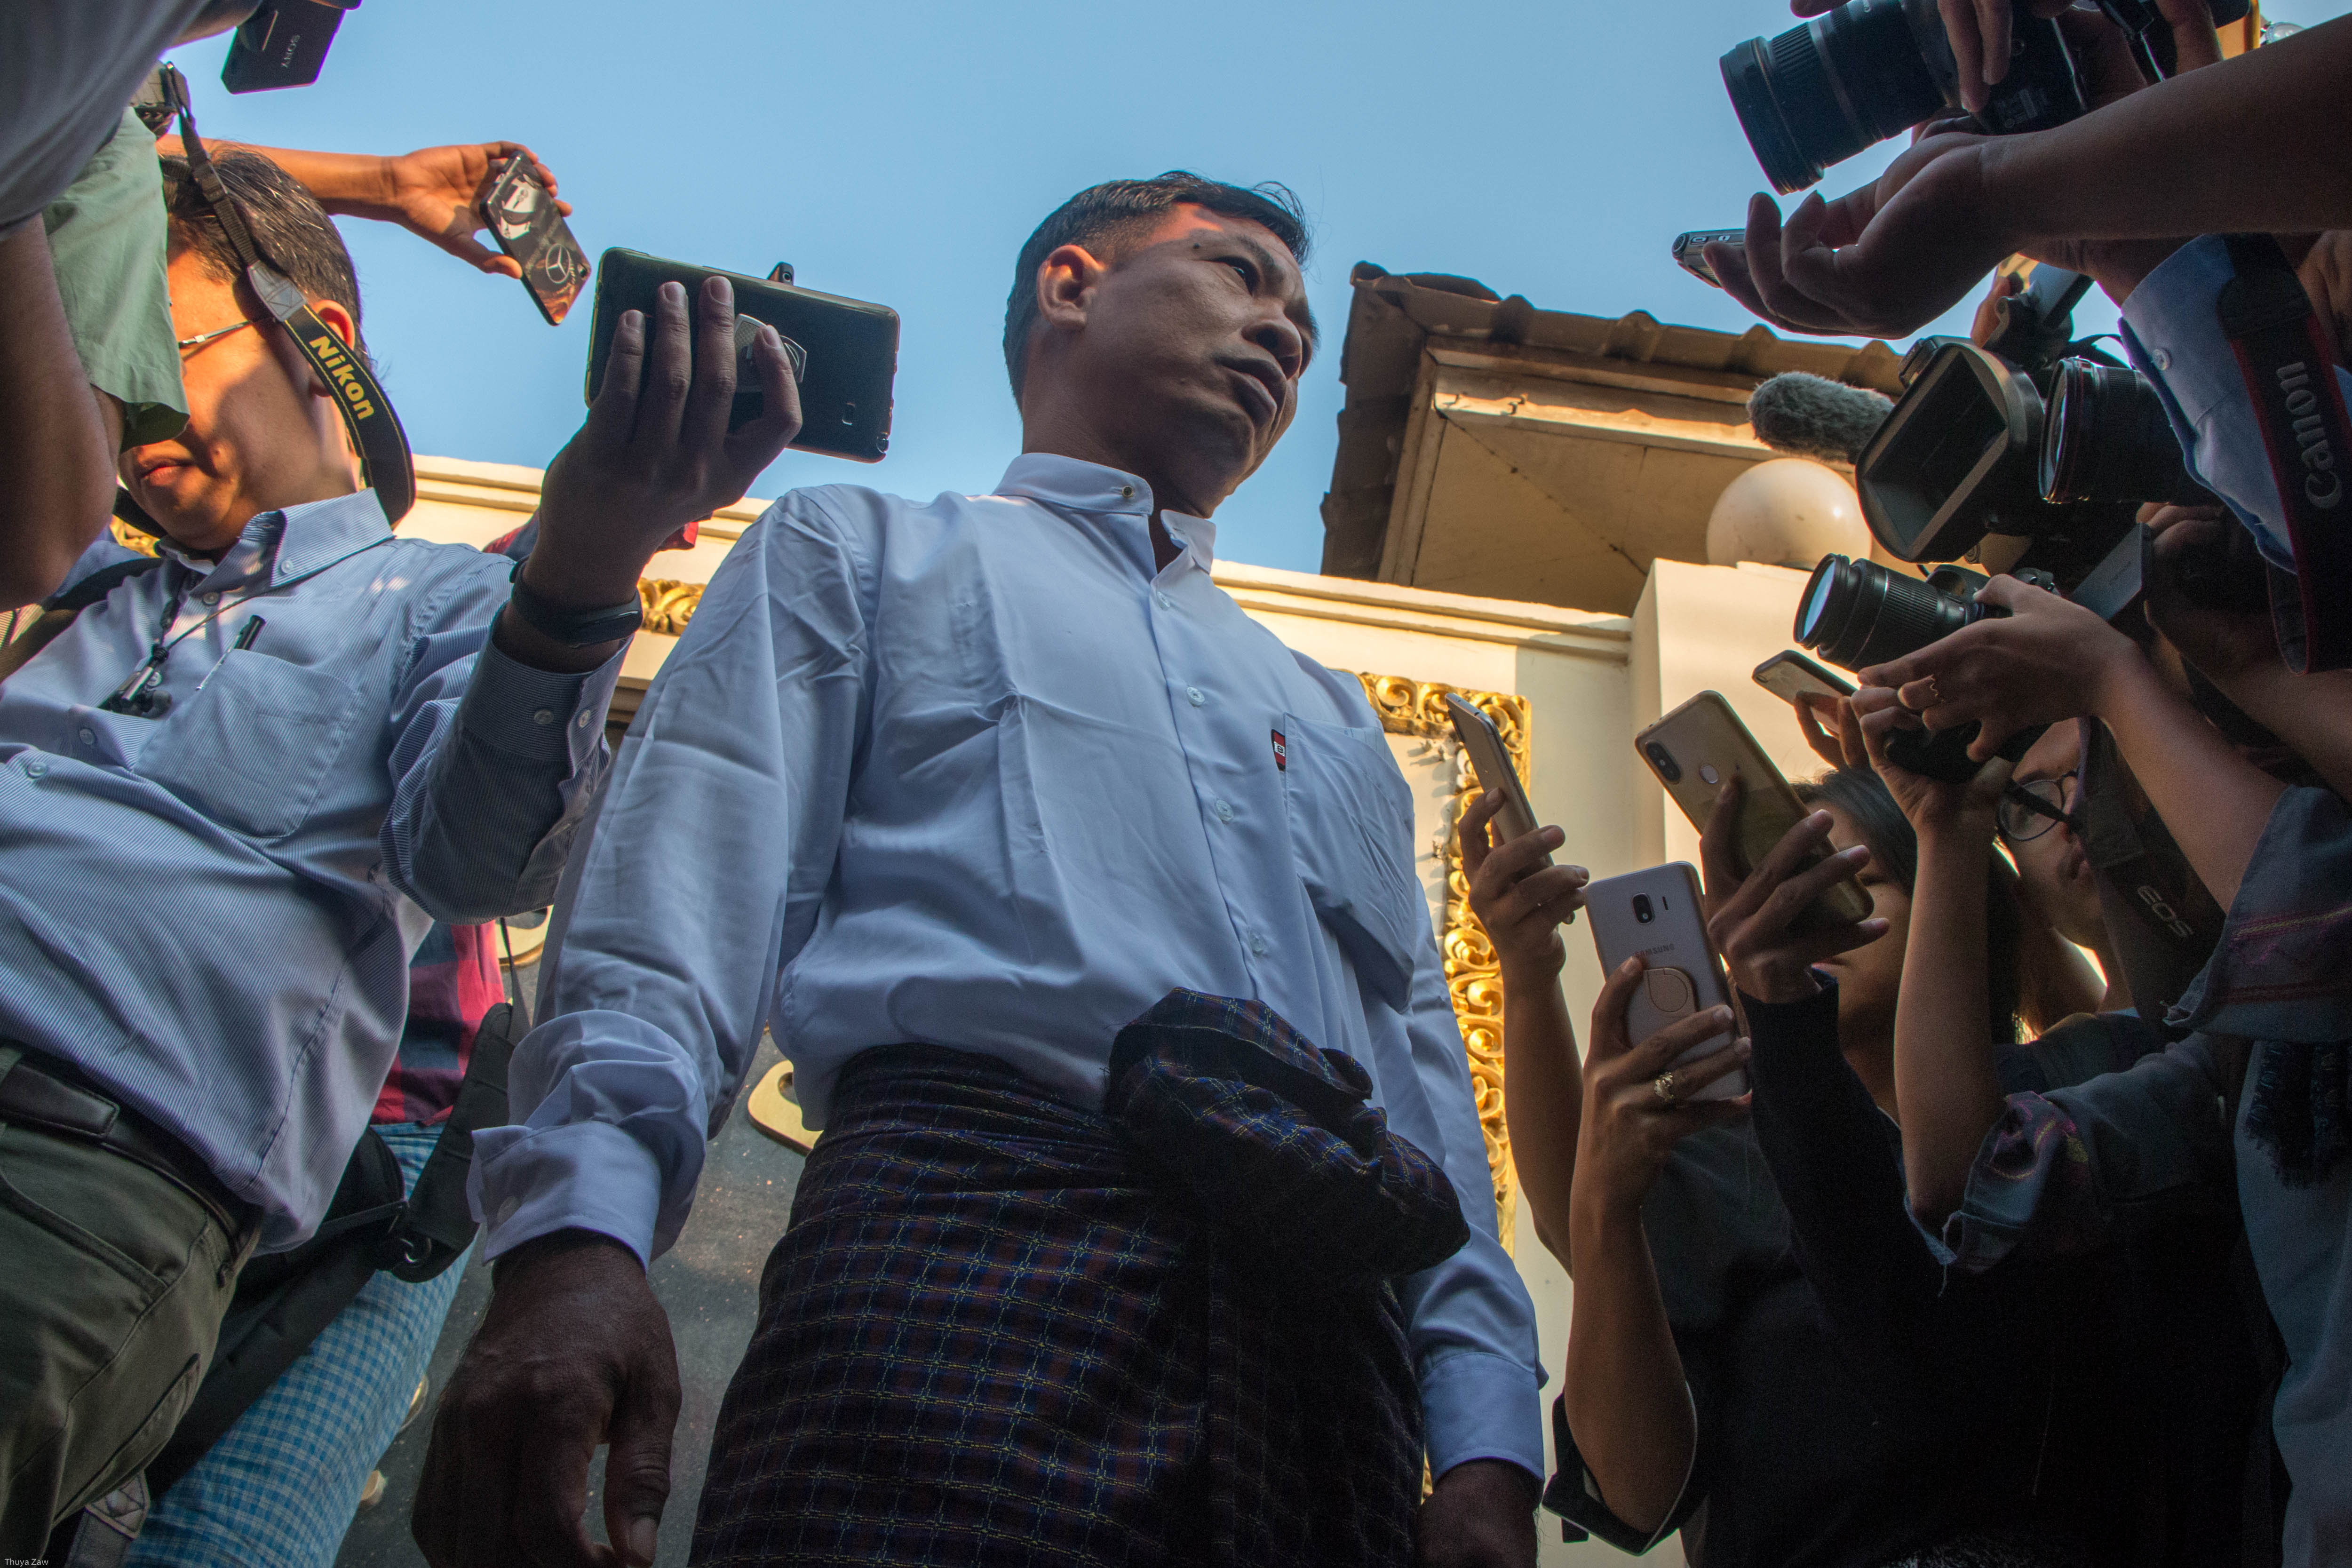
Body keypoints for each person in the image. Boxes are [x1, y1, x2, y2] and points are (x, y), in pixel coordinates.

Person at [414, 171, 1544, 1568]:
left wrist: (1486, 1439)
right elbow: (675, 904)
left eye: (1303, 331)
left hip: (1333, 1369)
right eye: (1243, 275)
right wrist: (579, 1238)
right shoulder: (864, 549)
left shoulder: (1335, 714)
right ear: (1071, 284)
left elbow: (1421, 1072)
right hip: (959, 1265)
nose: (1286, 339)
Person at [0, 145, 799, 1554]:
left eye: (155, 343)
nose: (121, 404)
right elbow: (72, 114)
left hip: (86, 1166)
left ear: (321, 341)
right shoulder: (60, 575)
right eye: (95, 356)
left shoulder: (440, 599)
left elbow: (485, 854)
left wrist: (583, 566)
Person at [1463, 757, 2150, 1565]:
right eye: (1772, 887)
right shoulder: (1732, 1159)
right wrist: (1531, 971)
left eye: (1843, 882)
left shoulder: (2055, 1105)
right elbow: (1637, 1491)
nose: (1796, 915)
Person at [123, 917, 511, 1567]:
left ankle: (360, 1414)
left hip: (384, 1112)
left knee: (209, 1541)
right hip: (136, 1080)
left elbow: (486, 856)